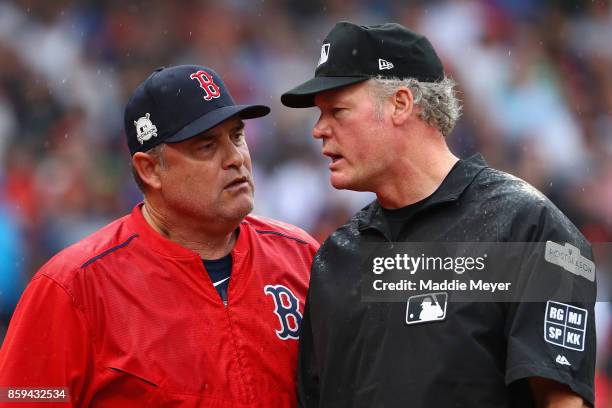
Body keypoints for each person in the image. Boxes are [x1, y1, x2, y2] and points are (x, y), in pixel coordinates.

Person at [281, 22, 596, 408]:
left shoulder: (523, 227)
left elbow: (561, 402)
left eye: (337, 111)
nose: (318, 131)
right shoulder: (335, 258)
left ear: (400, 104)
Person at [0, 65, 319, 407]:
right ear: (150, 169)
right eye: (207, 146)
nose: (235, 158)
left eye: (237, 136)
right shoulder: (73, 286)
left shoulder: (302, 258)